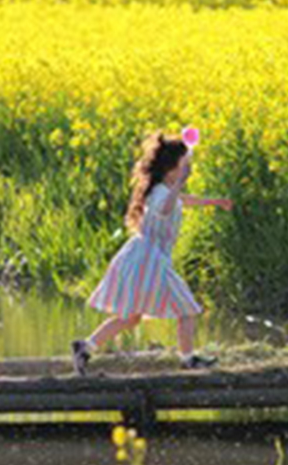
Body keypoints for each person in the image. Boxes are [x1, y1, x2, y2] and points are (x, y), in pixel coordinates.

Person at [71, 132, 232, 376]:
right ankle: (188, 360)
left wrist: (213, 202)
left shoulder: (166, 189)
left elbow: (180, 200)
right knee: (187, 309)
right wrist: (180, 184)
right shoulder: (159, 192)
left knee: (131, 317)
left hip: (148, 259)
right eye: (183, 165)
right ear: (170, 169)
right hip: (149, 259)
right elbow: (166, 209)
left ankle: (85, 347)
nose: (186, 168)